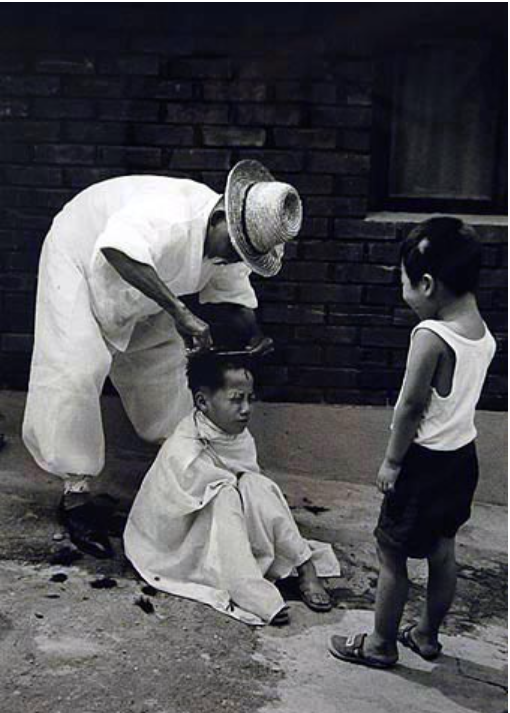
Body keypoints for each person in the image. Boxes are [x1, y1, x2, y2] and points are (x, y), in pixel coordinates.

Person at [23, 160, 303, 559]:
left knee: (164, 368)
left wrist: (255, 338)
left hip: (144, 287)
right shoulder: (171, 217)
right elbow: (116, 249)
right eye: (234, 251)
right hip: (81, 256)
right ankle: (75, 497)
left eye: (243, 256)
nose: (232, 260)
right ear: (221, 218)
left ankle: (182, 480)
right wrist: (179, 310)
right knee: (77, 368)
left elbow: (236, 304)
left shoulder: (231, 247)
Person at [329, 217, 496, 668]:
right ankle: (426, 635)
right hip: (462, 459)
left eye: (404, 282)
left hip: (423, 464)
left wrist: (391, 461)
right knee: (443, 550)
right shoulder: (481, 332)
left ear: (426, 284)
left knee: (391, 552)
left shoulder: (430, 337)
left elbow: (409, 408)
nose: (403, 292)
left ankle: (380, 643)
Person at [124, 352, 340, 626]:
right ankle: (248, 588)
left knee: (258, 485)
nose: (246, 409)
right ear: (203, 402)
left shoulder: (236, 437)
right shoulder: (186, 448)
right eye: (236, 399)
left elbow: (248, 480)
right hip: (181, 536)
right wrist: (229, 492)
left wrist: (245, 492)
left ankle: (305, 566)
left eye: (250, 398)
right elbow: (173, 508)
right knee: (224, 494)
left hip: (229, 521)